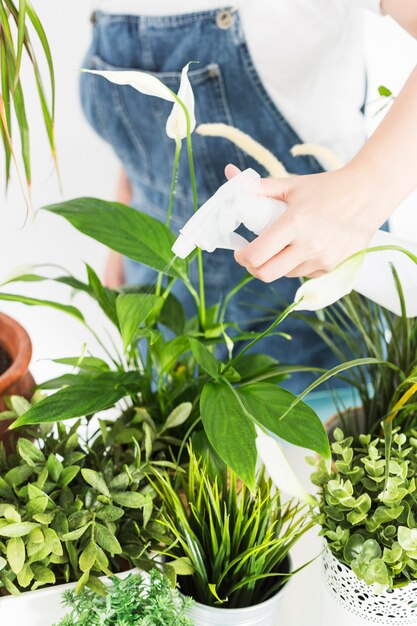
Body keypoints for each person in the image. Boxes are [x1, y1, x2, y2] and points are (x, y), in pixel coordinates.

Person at [80, 0, 417, 391]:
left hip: (304, 300)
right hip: (164, 293)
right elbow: (149, 121)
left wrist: (362, 195)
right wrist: (127, 217)